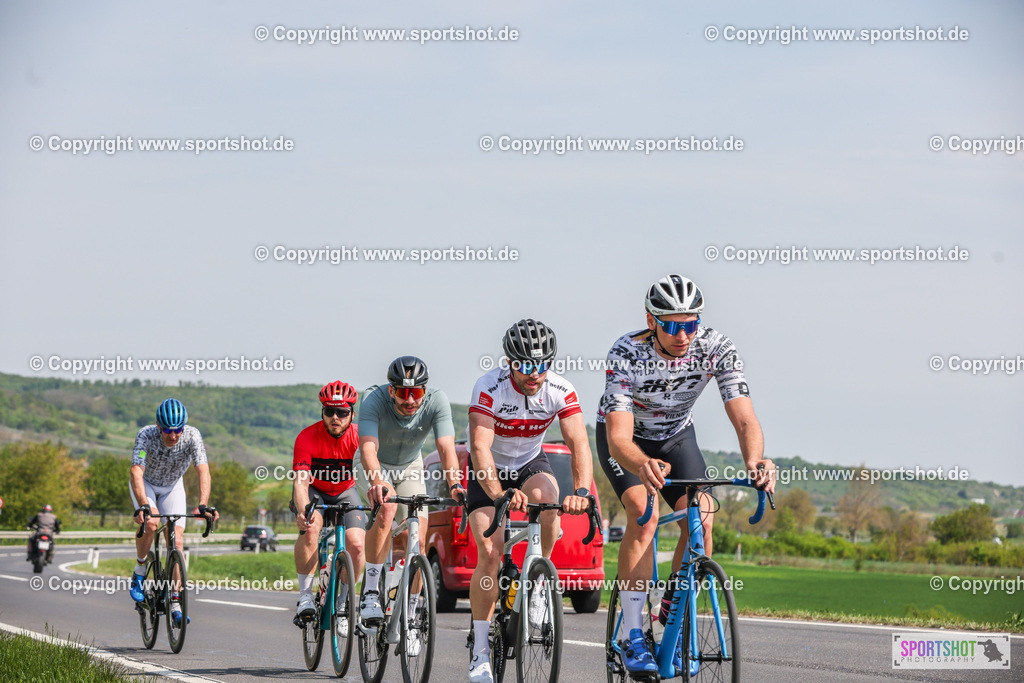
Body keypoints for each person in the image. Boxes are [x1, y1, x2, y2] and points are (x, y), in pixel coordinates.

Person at [597, 274, 776, 674]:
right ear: (651, 320)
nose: (683, 335)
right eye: (673, 325)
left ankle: (673, 613)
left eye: (690, 324)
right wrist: (640, 463)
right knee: (645, 514)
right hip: (626, 440)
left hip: (676, 437)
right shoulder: (626, 351)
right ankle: (632, 634)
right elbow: (619, 436)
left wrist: (755, 462)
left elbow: (745, 418)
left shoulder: (716, 347)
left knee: (704, 517)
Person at [466, 319, 594, 683]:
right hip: (487, 468)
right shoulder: (488, 387)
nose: (534, 374)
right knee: (490, 553)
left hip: (529, 462)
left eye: (542, 365)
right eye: (524, 365)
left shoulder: (559, 388)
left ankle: (538, 582)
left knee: (549, 501)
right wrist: (497, 494)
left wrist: (582, 490)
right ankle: (479, 651)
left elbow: (578, 443)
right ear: (509, 361)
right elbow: (479, 447)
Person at [357, 356, 464, 652]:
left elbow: (445, 447)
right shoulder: (372, 399)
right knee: (387, 505)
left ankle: (412, 614)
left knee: (415, 536)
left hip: (410, 465)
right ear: (391, 390)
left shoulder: (437, 401)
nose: (409, 400)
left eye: (415, 393)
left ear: (424, 390)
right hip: (375, 464)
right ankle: (370, 591)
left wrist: (455, 483)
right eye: (402, 393)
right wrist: (377, 481)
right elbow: (367, 446)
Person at [129, 398, 219, 627]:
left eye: (177, 430)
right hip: (146, 485)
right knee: (150, 524)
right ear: (159, 426)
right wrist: (143, 505)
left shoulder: (192, 435)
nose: (173, 435)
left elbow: (203, 471)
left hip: (172, 486)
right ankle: (139, 571)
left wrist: (203, 504)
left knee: (176, 543)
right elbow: (136, 471)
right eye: (168, 430)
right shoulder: (146, 435)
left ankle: (176, 602)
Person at [291, 381, 367, 628]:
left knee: (356, 545)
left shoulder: (359, 437)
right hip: (316, 491)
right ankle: (305, 596)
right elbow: (301, 482)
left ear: (352, 414)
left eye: (342, 412)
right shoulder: (307, 437)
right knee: (311, 528)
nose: (335, 417)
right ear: (322, 412)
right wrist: (303, 509)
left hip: (346, 491)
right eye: (329, 411)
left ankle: (344, 602)